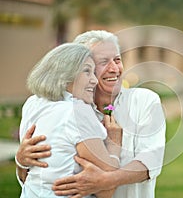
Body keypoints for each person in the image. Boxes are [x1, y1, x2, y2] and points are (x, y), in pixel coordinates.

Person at [15, 30, 166, 198]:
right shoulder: (42, 106)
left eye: (117, 60)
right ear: (75, 68)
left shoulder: (144, 101)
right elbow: (33, 177)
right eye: (103, 62)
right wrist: (20, 161)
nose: (114, 69)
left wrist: (107, 180)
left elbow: (151, 161)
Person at [17, 42, 122, 198]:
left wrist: (20, 161)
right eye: (87, 71)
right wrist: (114, 142)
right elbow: (107, 187)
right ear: (64, 75)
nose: (94, 80)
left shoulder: (33, 104)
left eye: (94, 72)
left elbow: (26, 176)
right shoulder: (77, 111)